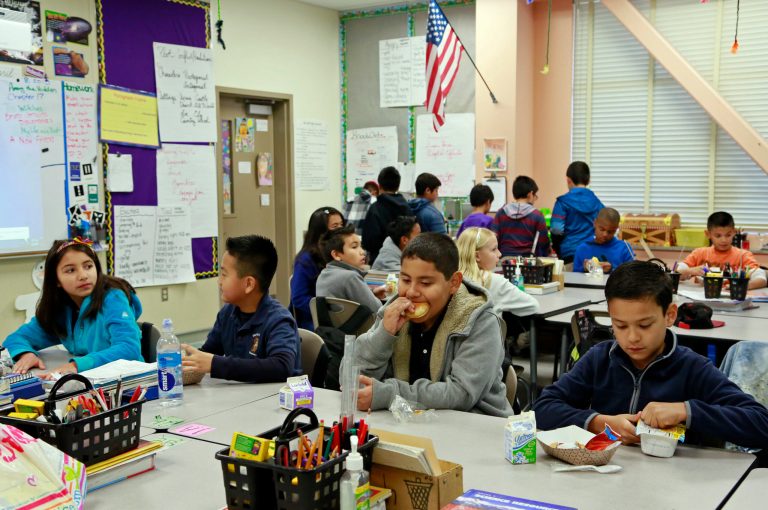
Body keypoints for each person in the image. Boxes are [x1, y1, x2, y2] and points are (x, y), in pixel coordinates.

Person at [534, 261, 768, 449]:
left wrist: (686, 411)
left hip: (675, 482)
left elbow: (761, 423)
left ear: (670, 315)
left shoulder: (692, 368)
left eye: (644, 325)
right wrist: (597, 422)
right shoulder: (600, 359)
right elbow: (542, 408)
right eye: (620, 325)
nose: (632, 337)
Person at [344, 232, 513, 416]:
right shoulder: (393, 311)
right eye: (405, 280)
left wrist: (389, 394)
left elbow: (462, 393)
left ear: (454, 283)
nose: (411, 292)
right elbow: (350, 379)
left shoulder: (480, 319)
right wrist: (384, 334)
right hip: (408, 422)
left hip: (476, 422)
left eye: (425, 283)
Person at [5, 238, 143, 375]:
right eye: (71, 270)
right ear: (56, 280)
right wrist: (26, 354)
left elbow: (129, 348)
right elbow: (15, 339)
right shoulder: (60, 308)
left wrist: (76, 366)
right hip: (91, 380)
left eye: (88, 266)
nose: (83, 276)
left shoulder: (114, 298)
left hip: (127, 380)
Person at [182, 235, 301, 383]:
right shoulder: (227, 313)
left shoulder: (278, 319)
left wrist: (215, 364)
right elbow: (208, 353)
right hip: (241, 395)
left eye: (224, 275)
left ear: (249, 284)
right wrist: (189, 359)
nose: (219, 281)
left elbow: (281, 366)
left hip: (276, 395)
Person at [456, 228, 539, 318]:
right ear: (477, 256)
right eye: (494, 249)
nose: (499, 254)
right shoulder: (494, 281)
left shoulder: (452, 279)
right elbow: (533, 306)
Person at [678, 211, 767, 290]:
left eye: (728, 235)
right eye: (718, 236)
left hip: (733, 296)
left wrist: (741, 286)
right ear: (708, 234)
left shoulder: (743, 255)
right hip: (702, 297)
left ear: (734, 232)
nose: (724, 240)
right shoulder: (699, 253)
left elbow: (761, 279)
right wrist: (689, 271)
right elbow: (676, 273)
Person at [290, 207, 344, 330]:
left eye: (341, 224)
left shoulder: (338, 253)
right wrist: (326, 311)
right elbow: (298, 298)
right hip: (314, 321)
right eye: (335, 226)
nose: (341, 230)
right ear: (321, 231)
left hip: (339, 314)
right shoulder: (305, 260)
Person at [316, 224, 385, 315]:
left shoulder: (323, 275)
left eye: (361, 246)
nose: (362, 252)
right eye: (354, 247)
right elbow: (378, 310)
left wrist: (372, 294)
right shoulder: (350, 277)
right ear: (336, 255)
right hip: (359, 325)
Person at [550, 161, 605, 264]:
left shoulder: (562, 202)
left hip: (569, 252)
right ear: (588, 180)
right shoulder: (597, 203)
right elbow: (604, 227)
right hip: (593, 254)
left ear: (568, 180)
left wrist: (558, 249)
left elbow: (556, 230)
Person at [491, 176, 550, 257]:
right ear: (530, 194)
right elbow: (543, 242)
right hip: (528, 261)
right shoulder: (537, 215)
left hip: (504, 259)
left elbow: (493, 238)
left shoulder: (501, 213)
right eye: (535, 195)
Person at [363, 167, 410, 263]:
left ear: (379, 186)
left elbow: (368, 242)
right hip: (404, 260)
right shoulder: (407, 207)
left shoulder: (375, 209)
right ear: (398, 186)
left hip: (380, 262)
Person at [573, 207, 634, 274]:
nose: (605, 234)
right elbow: (575, 276)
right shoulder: (582, 249)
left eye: (610, 232)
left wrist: (612, 270)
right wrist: (584, 269)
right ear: (595, 223)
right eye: (602, 229)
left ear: (616, 229)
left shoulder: (624, 248)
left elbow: (632, 276)